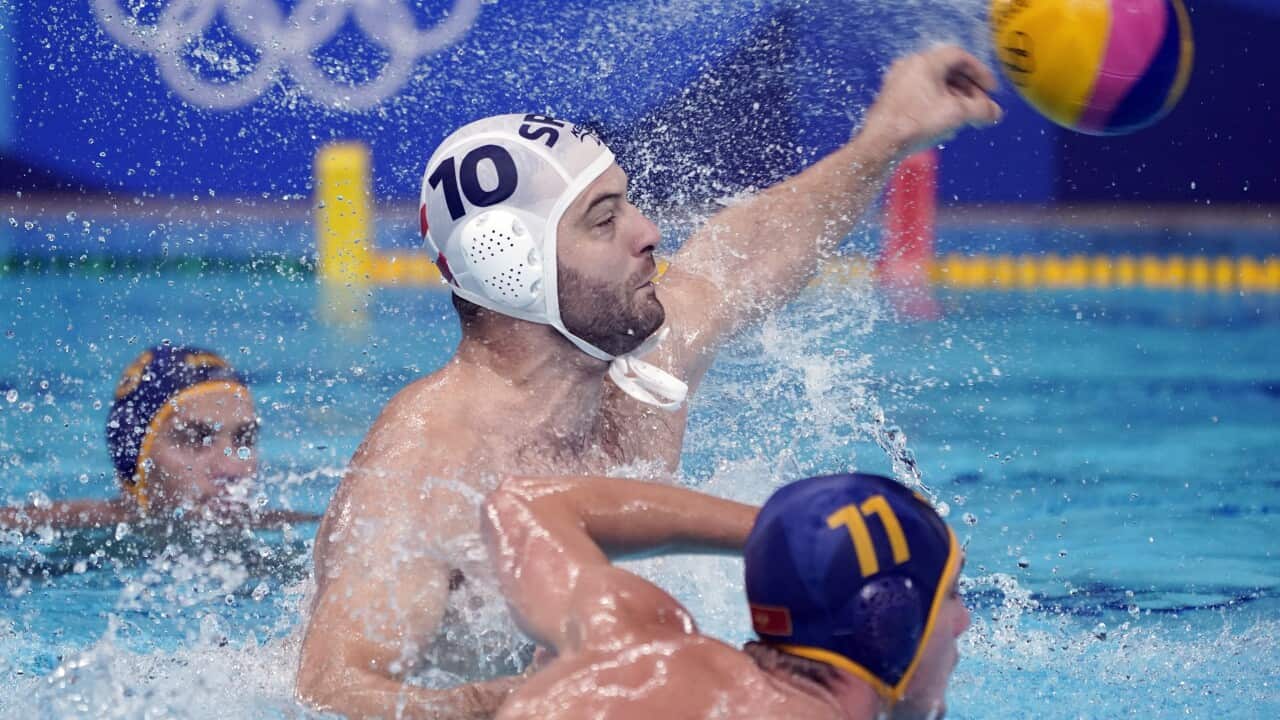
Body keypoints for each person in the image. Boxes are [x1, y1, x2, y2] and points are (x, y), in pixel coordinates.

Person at [296, 45, 999, 717]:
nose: (649, 231)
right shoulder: (431, 464)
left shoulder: (640, 363)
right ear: (513, 269)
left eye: (627, 203)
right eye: (605, 220)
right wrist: (515, 703)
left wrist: (886, 137)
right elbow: (330, 688)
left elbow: (749, 254)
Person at [484, 472, 969, 720]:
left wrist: (792, 542)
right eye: (950, 596)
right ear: (886, 619)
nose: (963, 622)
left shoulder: (629, 634)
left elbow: (524, 503)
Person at [0, 345, 318, 533]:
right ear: (135, 456)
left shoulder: (297, 534)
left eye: (244, 439)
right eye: (196, 439)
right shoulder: (62, 531)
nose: (232, 468)